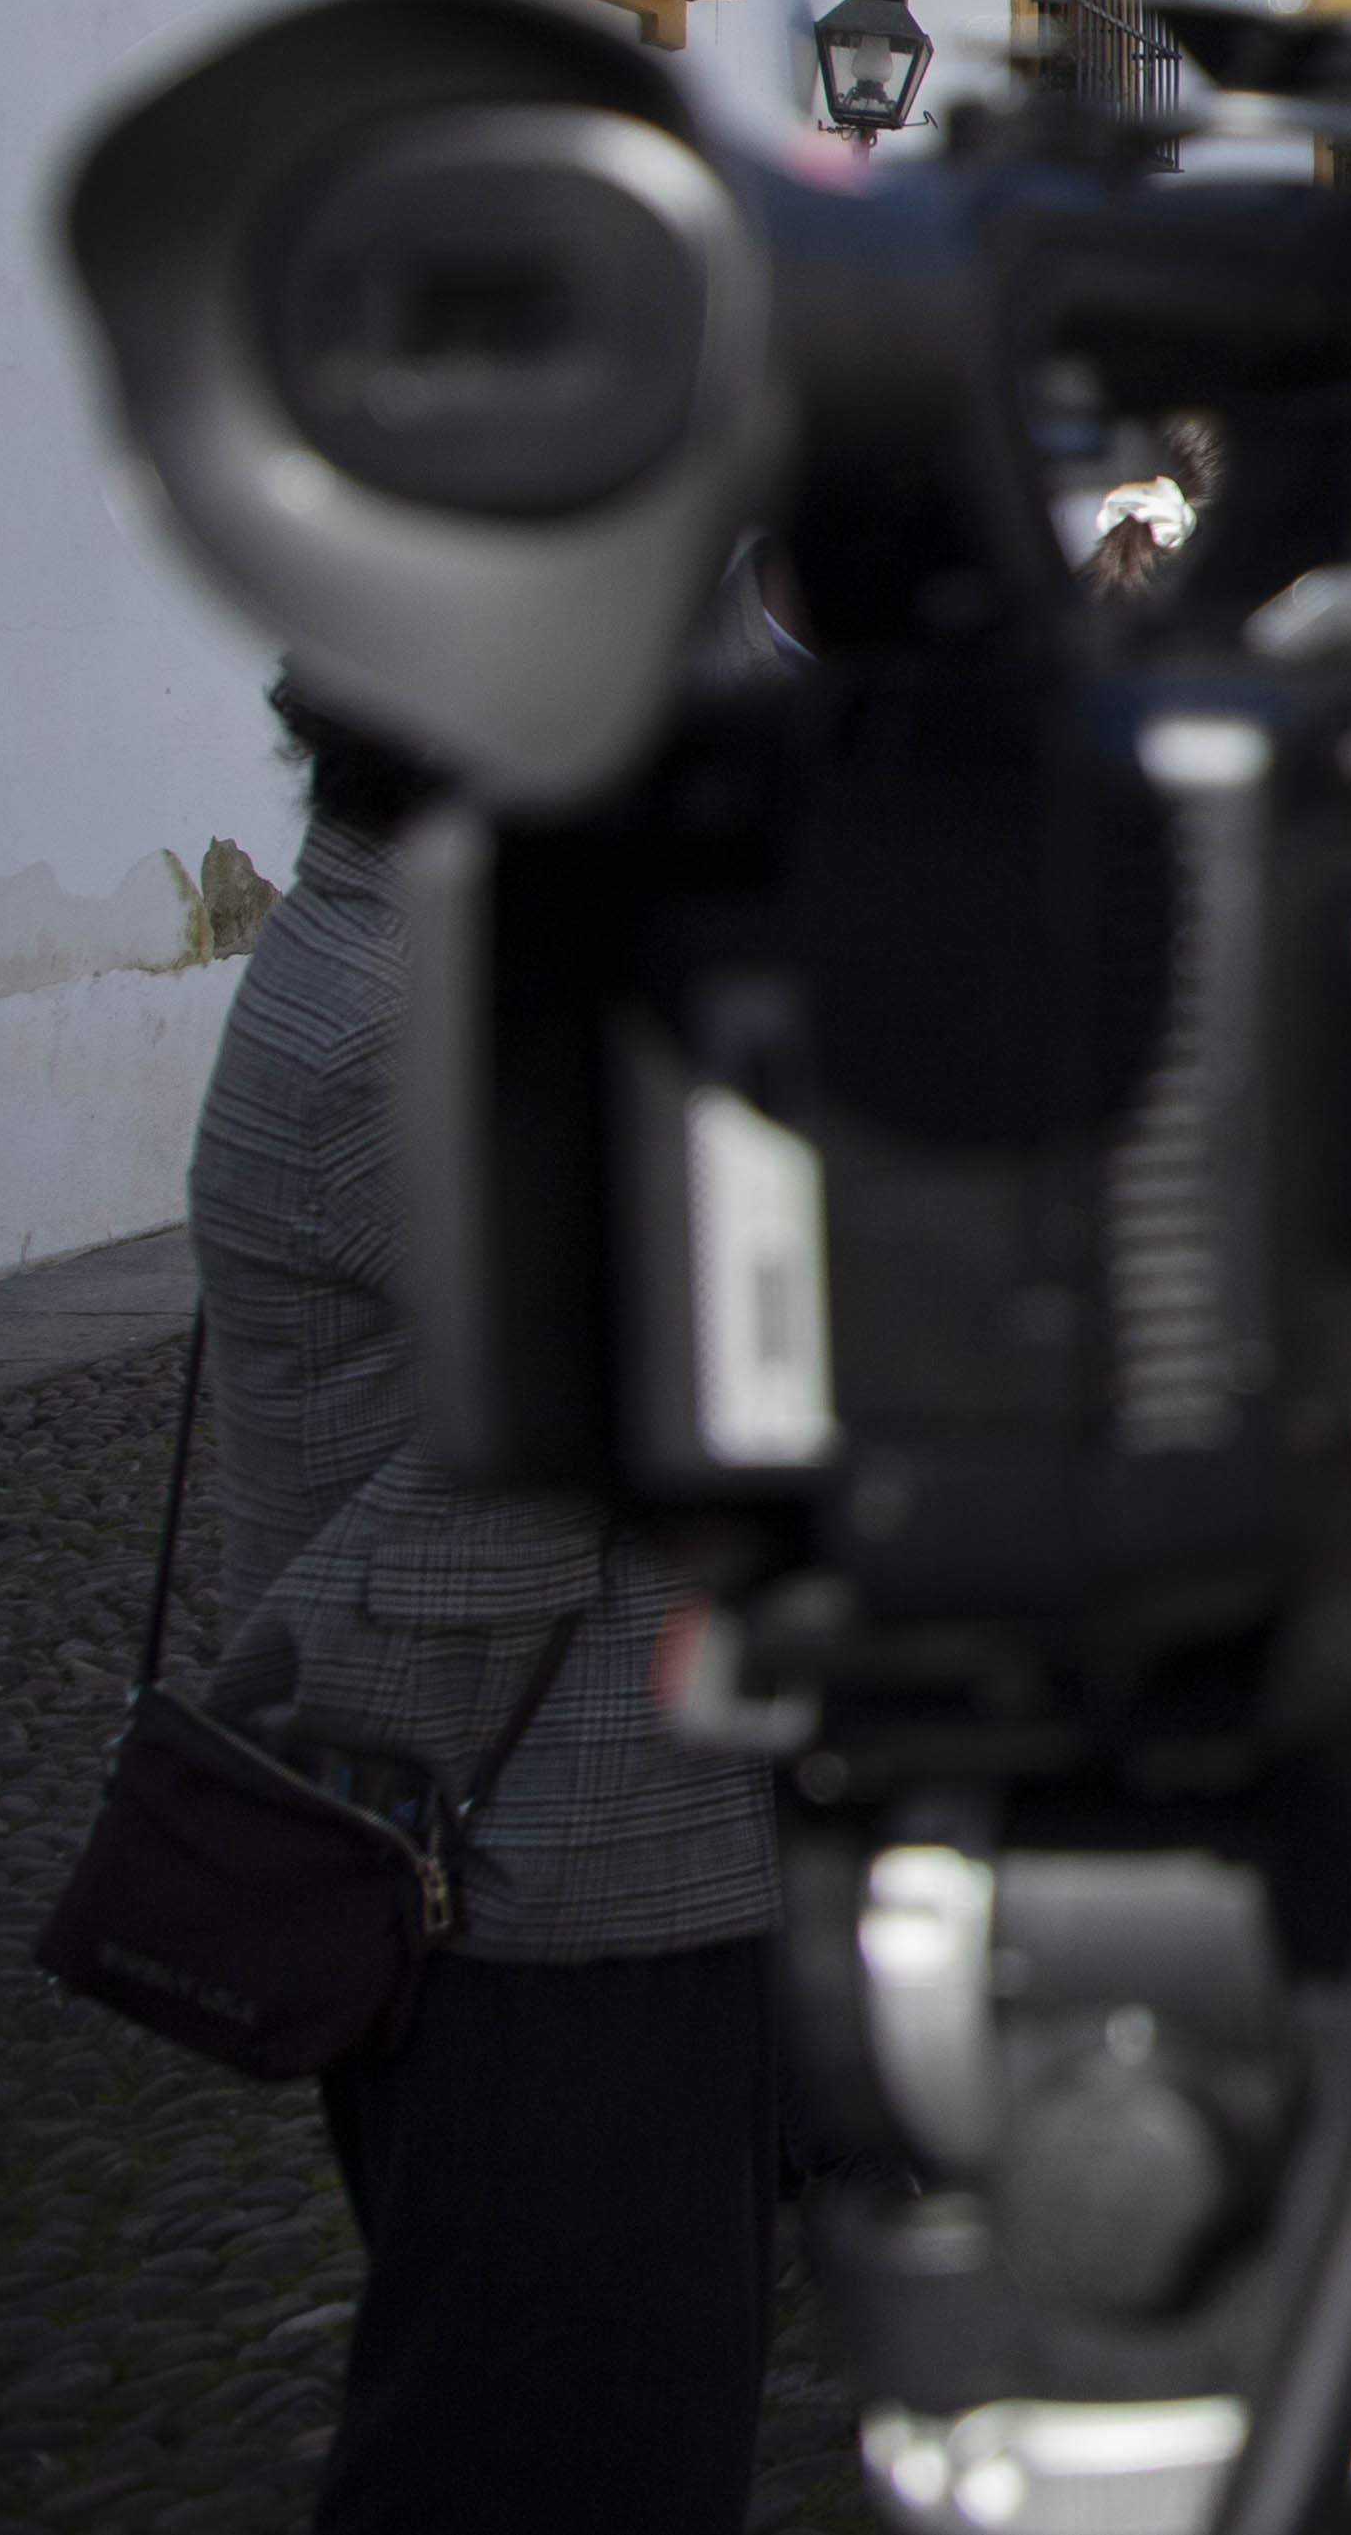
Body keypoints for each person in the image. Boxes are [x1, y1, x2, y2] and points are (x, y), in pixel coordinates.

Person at [186, 678, 779, 2535]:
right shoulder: (409, 1026)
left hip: (538, 1873)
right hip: (545, 1897)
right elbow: (635, 1432)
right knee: (554, 2455)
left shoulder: (419, 965)